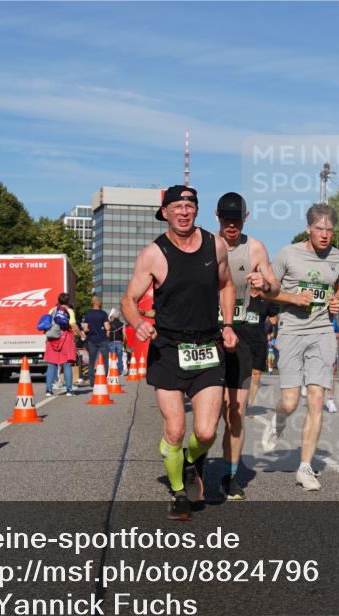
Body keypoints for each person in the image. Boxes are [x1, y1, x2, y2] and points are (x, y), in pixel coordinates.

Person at [121, 185, 237, 521]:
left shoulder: (215, 245)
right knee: (174, 429)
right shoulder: (153, 254)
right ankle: (177, 492)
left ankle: (189, 461)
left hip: (207, 346)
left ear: (196, 211)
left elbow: (227, 284)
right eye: (176, 207)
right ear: (166, 213)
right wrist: (138, 322)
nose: (183, 212)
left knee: (205, 432)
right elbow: (128, 301)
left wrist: (228, 324)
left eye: (189, 206)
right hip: (169, 349)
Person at [268, 203, 339, 490]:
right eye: (319, 229)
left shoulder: (338, 257)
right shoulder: (288, 255)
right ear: (308, 228)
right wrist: (292, 299)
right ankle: (278, 418)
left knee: (316, 398)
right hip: (291, 330)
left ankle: (305, 467)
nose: (325, 234)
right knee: (290, 402)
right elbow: (269, 291)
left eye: (329, 229)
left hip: (322, 330)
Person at [215, 192, 279, 500]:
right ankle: (195, 462)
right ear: (218, 219)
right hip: (209, 334)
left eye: (236, 220)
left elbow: (274, 285)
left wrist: (264, 285)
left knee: (236, 413)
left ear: (245, 217)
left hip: (240, 333)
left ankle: (229, 476)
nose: (232, 226)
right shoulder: (205, 246)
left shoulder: (254, 247)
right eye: (226, 220)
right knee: (210, 413)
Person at [44, 293, 84, 396]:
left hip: (52, 339)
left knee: (52, 364)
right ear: (68, 301)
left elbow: (48, 324)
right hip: (65, 339)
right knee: (66, 364)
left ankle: (49, 390)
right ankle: (69, 390)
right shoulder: (69, 311)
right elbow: (73, 325)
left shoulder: (52, 310)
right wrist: (81, 335)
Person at [245, 296, 277, 415]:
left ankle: (249, 405)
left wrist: (274, 316)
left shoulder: (266, 300)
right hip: (242, 340)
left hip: (259, 341)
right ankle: (236, 400)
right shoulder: (243, 296)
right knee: (242, 372)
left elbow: (274, 320)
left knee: (256, 373)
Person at [81, 296, 109, 381]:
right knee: (105, 360)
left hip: (92, 340)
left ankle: (92, 380)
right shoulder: (103, 314)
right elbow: (107, 327)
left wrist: (90, 329)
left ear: (92, 303)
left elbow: (85, 328)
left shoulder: (88, 314)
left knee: (91, 361)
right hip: (103, 339)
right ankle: (104, 378)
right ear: (98, 303)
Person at [108, 311, 127, 375]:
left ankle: (112, 370)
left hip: (111, 342)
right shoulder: (122, 324)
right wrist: (124, 342)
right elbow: (124, 334)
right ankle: (120, 371)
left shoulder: (109, 324)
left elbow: (107, 334)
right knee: (119, 357)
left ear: (113, 316)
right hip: (119, 342)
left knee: (112, 357)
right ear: (118, 316)